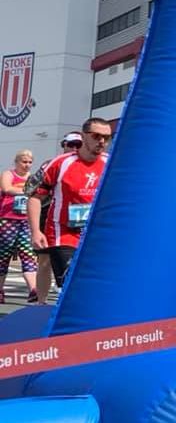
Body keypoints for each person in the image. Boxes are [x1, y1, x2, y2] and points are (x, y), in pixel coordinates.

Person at [27, 119, 110, 289]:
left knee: (96, 283)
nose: (101, 141)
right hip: (63, 233)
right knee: (70, 282)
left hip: (96, 234)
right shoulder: (60, 163)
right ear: (84, 137)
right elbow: (35, 197)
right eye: (96, 136)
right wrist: (35, 231)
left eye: (106, 137)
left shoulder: (111, 163)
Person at [22, 132, 81, 304]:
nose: (74, 148)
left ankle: (69, 302)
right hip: (49, 217)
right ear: (63, 145)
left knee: (78, 262)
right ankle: (41, 302)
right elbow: (30, 190)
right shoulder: (52, 164)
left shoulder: (90, 165)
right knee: (45, 261)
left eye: (79, 144)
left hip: (78, 220)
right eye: (71, 144)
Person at [0, 150, 38, 302]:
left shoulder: (33, 178)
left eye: (29, 162)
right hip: (7, 219)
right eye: (24, 161)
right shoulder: (9, 174)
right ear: (16, 162)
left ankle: (33, 290)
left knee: (28, 255)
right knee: (3, 256)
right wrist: (27, 191)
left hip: (26, 220)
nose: (27, 165)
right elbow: (7, 188)